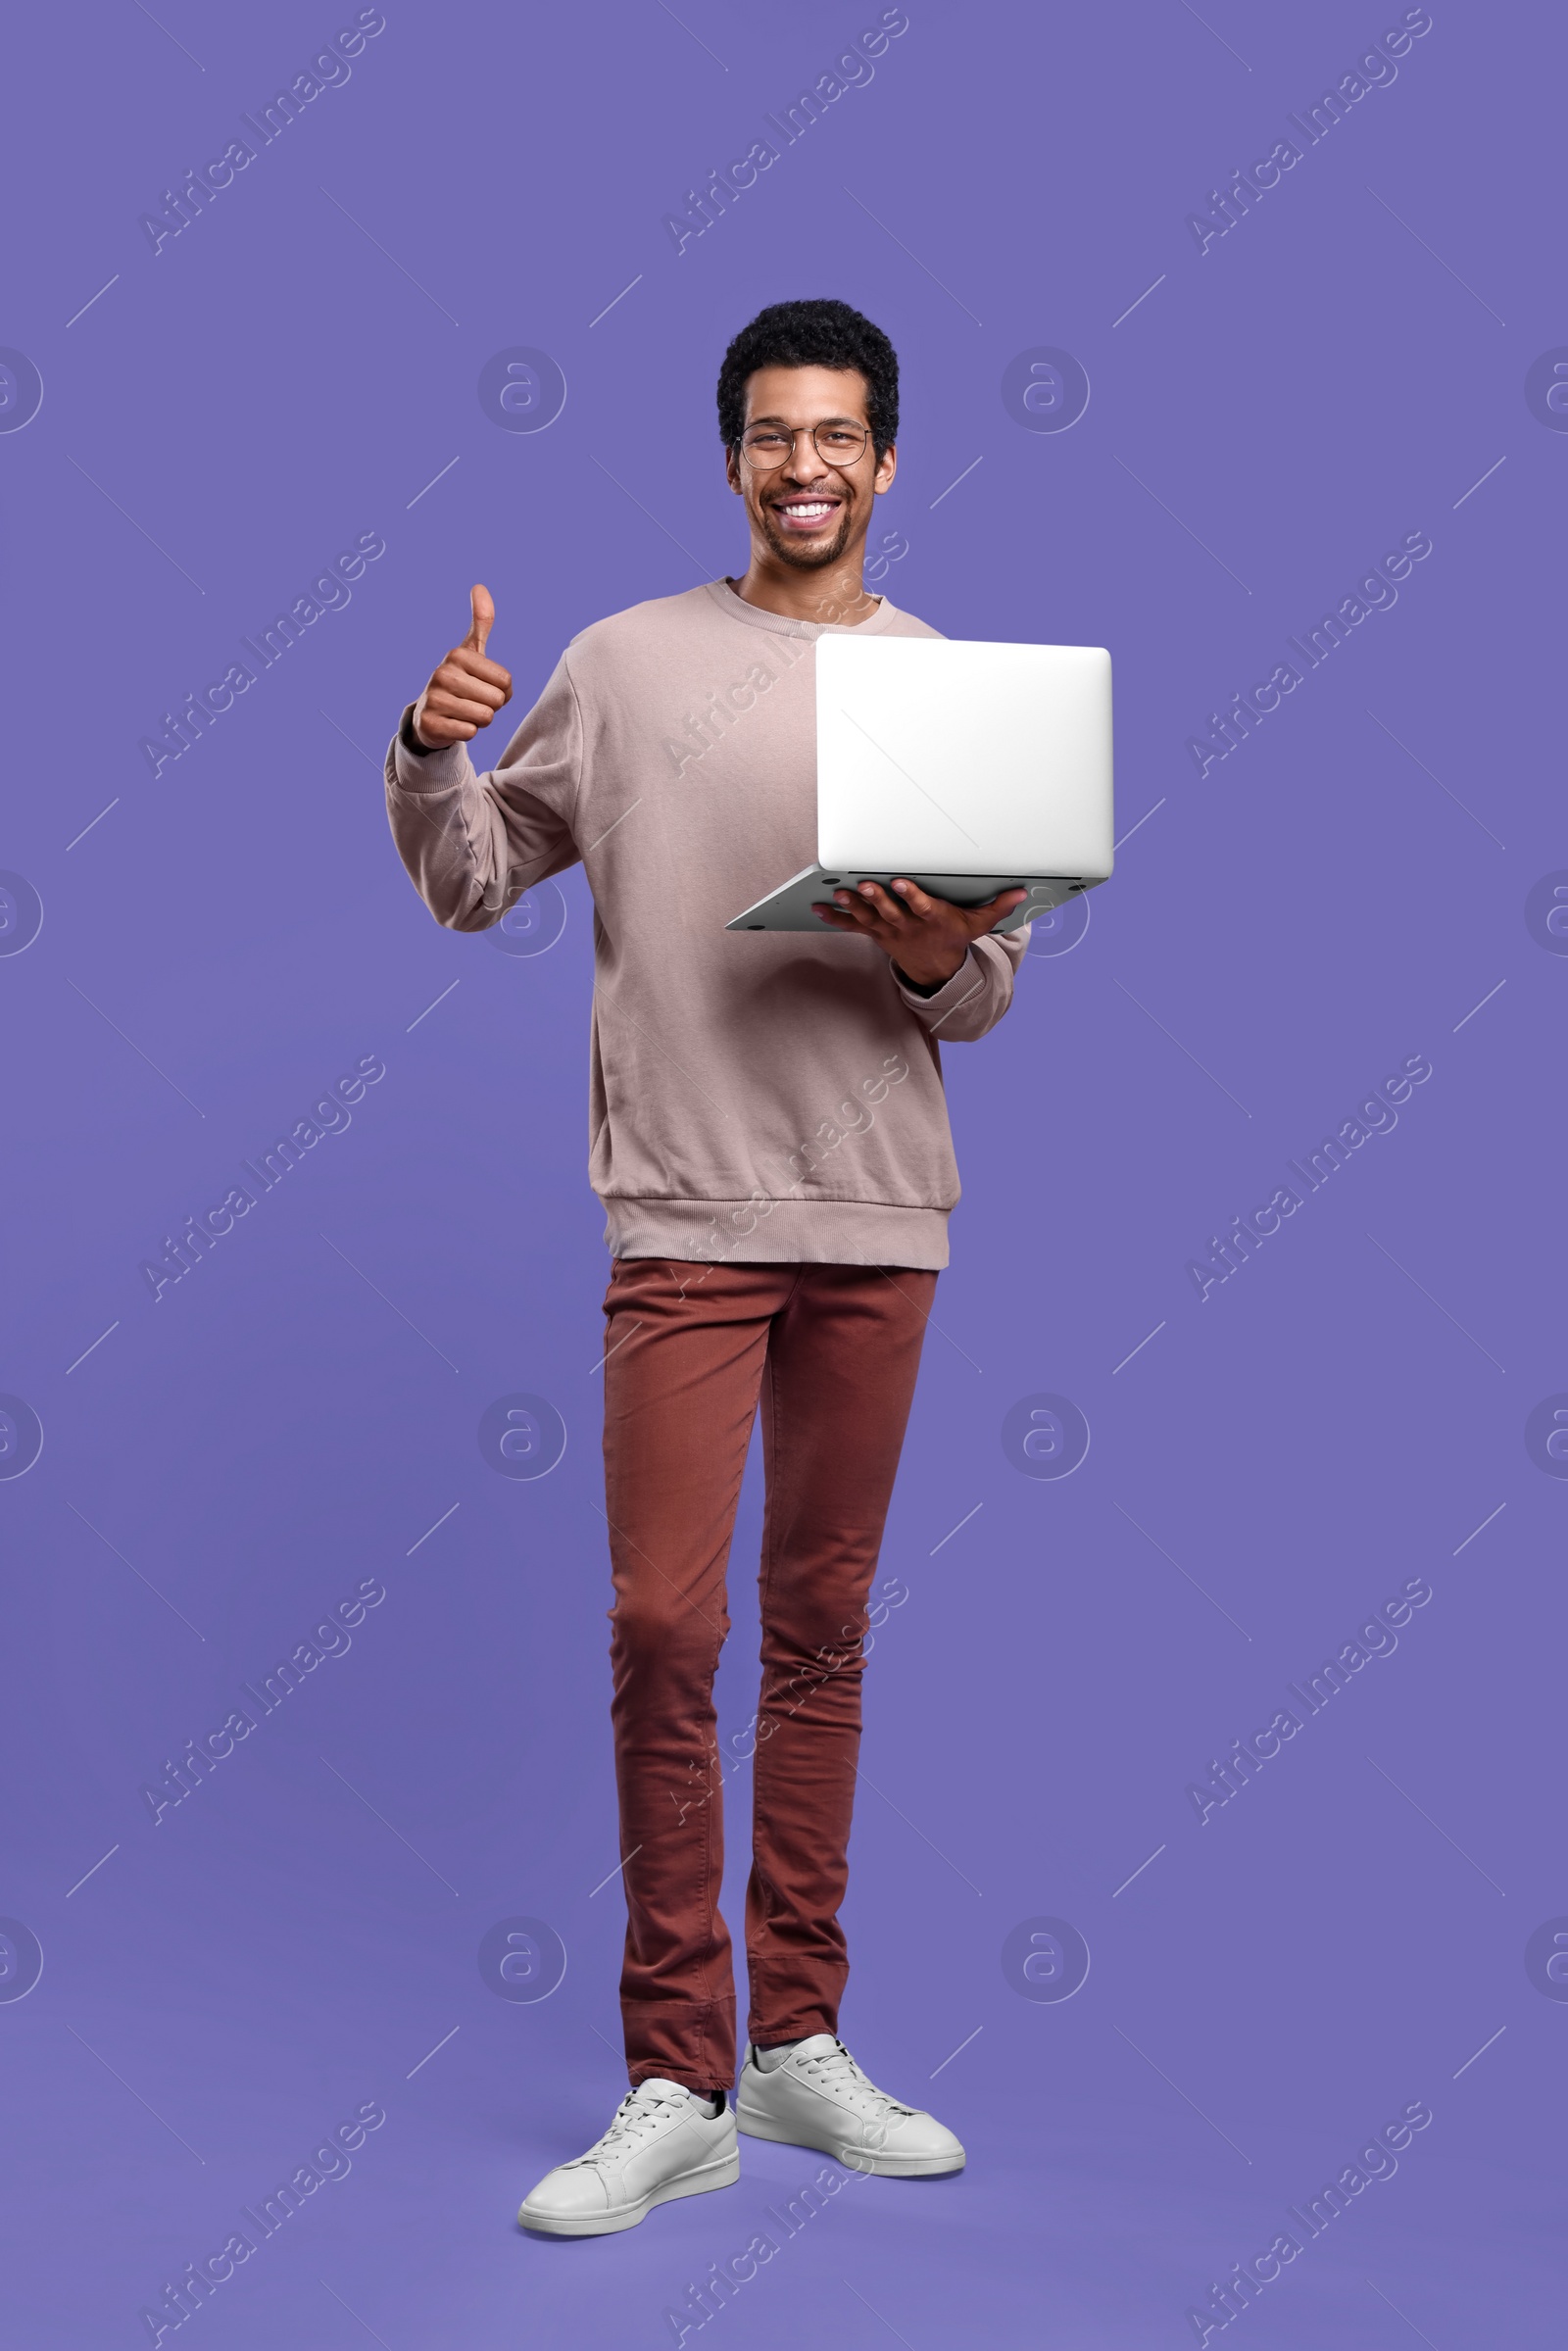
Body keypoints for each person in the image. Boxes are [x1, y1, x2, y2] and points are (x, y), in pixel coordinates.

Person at [383, 298, 1029, 2237]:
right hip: (678, 1211)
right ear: (732, 456)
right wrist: (430, 755)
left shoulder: (936, 687)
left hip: (873, 1215)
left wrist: (925, 948)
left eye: (837, 435)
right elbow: (478, 875)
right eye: (770, 434)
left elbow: (979, 989)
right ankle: (675, 2073)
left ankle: (796, 2045)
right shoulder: (623, 659)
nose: (803, 465)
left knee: (819, 1638)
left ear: (887, 459)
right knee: (665, 1634)